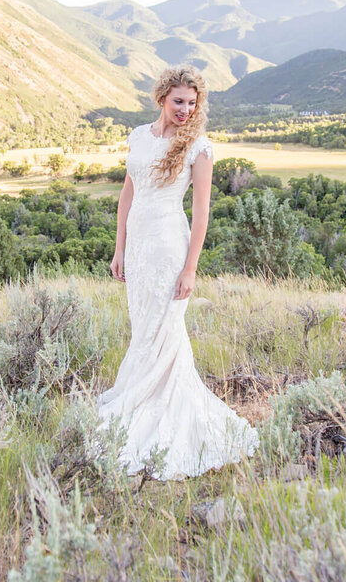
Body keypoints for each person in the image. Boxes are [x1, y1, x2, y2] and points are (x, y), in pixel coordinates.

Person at [96, 65, 259, 480]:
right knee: (143, 329)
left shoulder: (198, 148)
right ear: (162, 98)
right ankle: (136, 400)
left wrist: (190, 268)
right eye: (178, 101)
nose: (186, 109)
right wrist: (119, 249)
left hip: (170, 247)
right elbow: (126, 197)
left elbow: (202, 212)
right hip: (138, 248)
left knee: (165, 332)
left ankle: (166, 417)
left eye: (192, 102)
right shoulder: (138, 137)